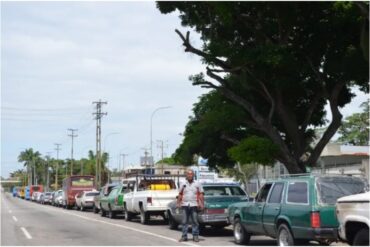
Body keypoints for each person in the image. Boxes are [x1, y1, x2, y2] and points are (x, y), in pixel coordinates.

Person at [177, 169, 204, 242]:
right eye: (188, 174)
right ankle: (184, 236)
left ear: (193, 175)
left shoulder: (197, 183)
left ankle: (195, 236)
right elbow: (180, 193)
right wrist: (178, 203)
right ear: (186, 175)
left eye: (191, 174)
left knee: (195, 221)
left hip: (194, 204)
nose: (190, 175)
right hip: (185, 205)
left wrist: (202, 204)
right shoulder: (183, 183)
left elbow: (201, 193)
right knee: (184, 221)